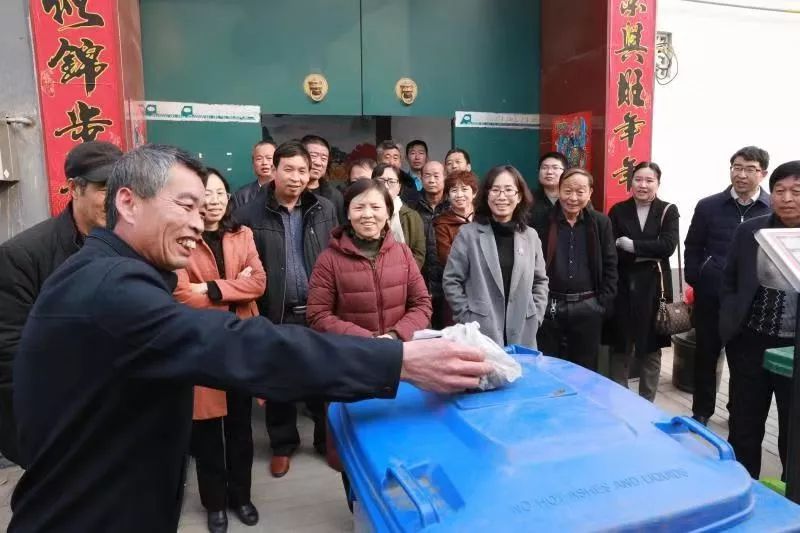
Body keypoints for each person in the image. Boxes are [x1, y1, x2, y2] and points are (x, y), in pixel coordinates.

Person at [8, 143, 492, 532]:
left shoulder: (108, 272)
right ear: (127, 201)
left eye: (203, 208)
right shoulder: (110, 287)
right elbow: (244, 345)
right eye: (185, 205)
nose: (199, 223)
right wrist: (399, 360)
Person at [0, 141, 122, 467]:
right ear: (74, 188)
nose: (114, 201)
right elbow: (10, 350)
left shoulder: (135, 247)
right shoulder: (23, 255)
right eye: (103, 188)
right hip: (59, 423)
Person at [234, 140, 336, 478]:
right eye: (288, 169)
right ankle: (282, 444)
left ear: (311, 174)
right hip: (274, 310)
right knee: (279, 381)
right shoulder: (249, 214)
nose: (295, 177)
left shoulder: (324, 209)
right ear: (273, 171)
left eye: (302, 170)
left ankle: (326, 441)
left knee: (323, 379)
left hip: (318, 310)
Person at [173, 169, 266, 532]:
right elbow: (181, 294)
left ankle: (241, 496)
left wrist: (209, 289)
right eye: (205, 194)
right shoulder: (181, 237)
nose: (213, 200)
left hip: (240, 344)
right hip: (203, 346)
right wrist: (233, 286)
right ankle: (215, 504)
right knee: (208, 431)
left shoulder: (242, 234)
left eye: (219, 193)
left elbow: (258, 282)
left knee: (241, 430)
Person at [719, 161, 800, 480]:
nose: (787, 198)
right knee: (744, 423)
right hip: (751, 342)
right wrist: (732, 328)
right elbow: (731, 281)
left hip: (794, 350)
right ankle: (740, 483)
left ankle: (792, 491)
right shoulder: (751, 231)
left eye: (796, 191)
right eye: (780, 190)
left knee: (793, 429)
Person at [684, 146, 770, 425]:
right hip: (711, 294)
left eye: (749, 169)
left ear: (763, 173)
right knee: (706, 354)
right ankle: (702, 410)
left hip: (750, 300)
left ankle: (737, 410)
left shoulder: (770, 210)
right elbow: (693, 245)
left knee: (742, 358)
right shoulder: (709, 206)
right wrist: (697, 277)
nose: (741, 175)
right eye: (737, 167)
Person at [443, 165, 549, 347]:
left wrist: (536, 316)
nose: (502, 197)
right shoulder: (468, 234)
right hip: (480, 333)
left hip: (524, 331)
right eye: (496, 190)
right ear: (486, 195)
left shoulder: (530, 236)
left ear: (519, 196)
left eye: (509, 190)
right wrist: (466, 317)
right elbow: (451, 280)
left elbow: (540, 281)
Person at [607, 162, 679, 402]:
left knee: (651, 345)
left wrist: (633, 246)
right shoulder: (618, 210)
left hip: (654, 286)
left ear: (658, 183)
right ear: (631, 182)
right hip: (623, 284)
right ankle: (619, 398)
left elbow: (668, 246)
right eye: (638, 179)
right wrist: (648, 250)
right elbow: (612, 248)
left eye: (649, 180)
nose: (643, 185)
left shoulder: (668, 210)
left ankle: (647, 401)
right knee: (621, 343)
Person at [537, 168, 617, 371]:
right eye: (567, 190)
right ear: (558, 190)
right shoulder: (542, 221)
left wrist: (602, 304)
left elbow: (610, 264)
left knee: (585, 369)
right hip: (551, 305)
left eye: (580, 192)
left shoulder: (600, 222)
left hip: (588, 306)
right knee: (549, 366)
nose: (573, 197)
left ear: (590, 192)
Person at [435, 171, 478, 326]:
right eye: (454, 190)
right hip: (457, 288)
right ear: (447, 196)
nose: (459, 195)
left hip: (484, 289)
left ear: (474, 193)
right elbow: (446, 257)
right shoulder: (441, 223)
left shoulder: (484, 219)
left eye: (464, 189)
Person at [414, 161, 449, 328]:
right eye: (427, 175)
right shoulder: (412, 207)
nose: (432, 180)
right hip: (421, 282)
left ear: (445, 178)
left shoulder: (454, 207)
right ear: (421, 178)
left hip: (448, 284)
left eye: (436, 176)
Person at [373, 163, 426, 271]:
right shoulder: (365, 214)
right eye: (381, 181)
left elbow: (418, 254)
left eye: (391, 181)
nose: (386, 186)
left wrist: (404, 276)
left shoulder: (411, 216)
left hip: (405, 277)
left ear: (399, 187)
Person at [302, 134, 345, 223]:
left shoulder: (335, 196)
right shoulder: (290, 191)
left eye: (324, 158)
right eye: (313, 156)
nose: (318, 163)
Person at [529, 151, 567, 233]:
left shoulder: (573, 198)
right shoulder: (528, 198)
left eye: (555, 167)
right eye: (544, 168)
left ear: (565, 172)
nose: (549, 172)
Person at [231, 140, 276, 209]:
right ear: (253, 163)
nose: (264, 163)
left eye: (269, 158)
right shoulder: (241, 196)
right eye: (259, 159)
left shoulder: (287, 190)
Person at [377, 140, 420, 205]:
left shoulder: (409, 182)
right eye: (387, 157)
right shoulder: (371, 181)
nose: (391, 162)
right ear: (379, 161)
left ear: (400, 162)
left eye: (395, 158)